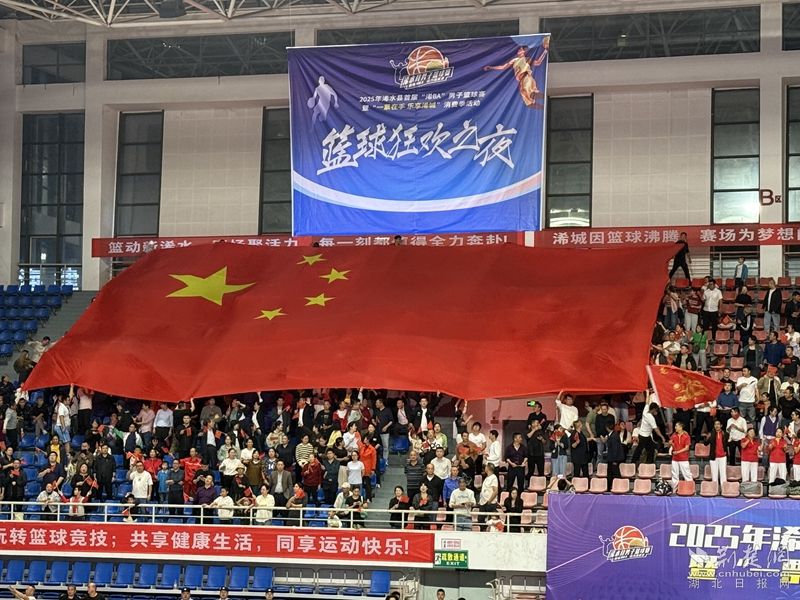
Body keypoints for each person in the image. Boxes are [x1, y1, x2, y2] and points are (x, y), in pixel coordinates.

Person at [668, 421, 693, 490]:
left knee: (687, 474)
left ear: (681, 427)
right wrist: (670, 443)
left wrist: (678, 452)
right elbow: (671, 444)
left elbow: (687, 448)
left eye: (676, 426)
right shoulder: (674, 435)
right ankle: (674, 488)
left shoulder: (686, 436)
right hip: (675, 458)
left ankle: (690, 489)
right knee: (674, 474)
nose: (675, 427)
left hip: (683, 459)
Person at [707, 420, 728, 486]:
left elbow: (728, 443)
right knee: (714, 475)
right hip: (713, 456)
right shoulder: (711, 433)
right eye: (715, 424)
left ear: (721, 425)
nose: (717, 425)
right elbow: (705, 443)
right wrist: (707, 437)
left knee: (723, 474)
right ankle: (715, 489)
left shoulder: (725, 433)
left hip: (723, 456)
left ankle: (724, 489)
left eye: (718, 424)